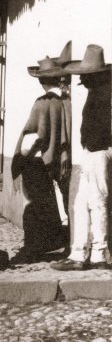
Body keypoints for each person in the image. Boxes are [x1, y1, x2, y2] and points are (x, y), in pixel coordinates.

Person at [52, 44, 111, 271]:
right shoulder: (96, 92)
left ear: (96, 76)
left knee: (97, 202)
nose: (81, 80)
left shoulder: (106, 95)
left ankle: (98, 254)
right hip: (90, 152)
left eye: (85, 76)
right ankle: (78, 253)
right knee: (80, 203)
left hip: (100, 151)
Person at [10, 56, 71, 262]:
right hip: (57, 161)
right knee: (52, 204)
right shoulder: (66, 101)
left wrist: (19, 161)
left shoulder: (42, 103)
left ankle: (32, 249)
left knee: (34, 207)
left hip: (36, 163)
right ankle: (55, 242)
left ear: (41, 81)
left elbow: (32, 137)